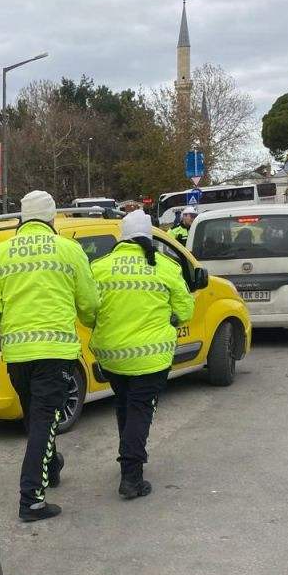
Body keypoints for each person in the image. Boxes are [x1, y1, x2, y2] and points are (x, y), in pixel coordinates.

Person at [0, 190, 98, 522]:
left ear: (20, 218)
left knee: (35, 418)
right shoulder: (69, 250)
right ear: (51, 218)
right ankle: (31, 499)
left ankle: (52, 466)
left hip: (17, 354)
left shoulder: (1, 253)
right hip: (56, 354)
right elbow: (88, 302)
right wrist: (91, 322)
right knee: (44, 422)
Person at [90, 211, 194, 499]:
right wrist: (170, 319)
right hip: (151, 357)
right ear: (148, 236)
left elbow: (88, 310)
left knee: (124, 405)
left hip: (110, 356)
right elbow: (186, 310)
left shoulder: (100, 267)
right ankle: (131, 476)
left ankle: (128, 456)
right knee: (139, 411)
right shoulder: (164, 266)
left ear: (121, 237)